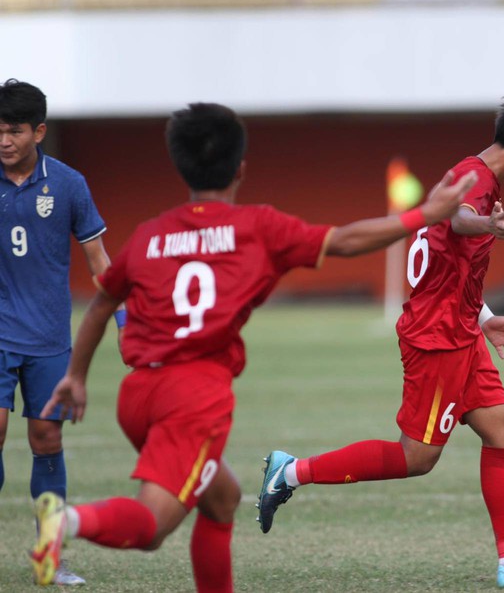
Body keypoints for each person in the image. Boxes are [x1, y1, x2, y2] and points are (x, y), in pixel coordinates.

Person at [29, 102, 478, 591]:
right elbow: (347, 241)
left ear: (179, 166)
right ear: (241, 168)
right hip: (193, 398)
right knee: (153, 525)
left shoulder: (149, 235)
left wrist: (75, 376)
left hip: (137, 395)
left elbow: (100, 304)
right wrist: (425, 214)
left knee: (222, 499)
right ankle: (67, 523)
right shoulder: (257, 228)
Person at [256, 90, 504, 589]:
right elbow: (455, 220)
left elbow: (452, 259)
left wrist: (485, 315)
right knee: (416, 458)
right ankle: (291, 472)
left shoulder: (472, 175)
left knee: (503, 429)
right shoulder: (474, 186)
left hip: (461, 329)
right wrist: (484, 225)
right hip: (438, 340)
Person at [0, 78, 120, 586]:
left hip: (49, 338)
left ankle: (51, 553)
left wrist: (125, 320)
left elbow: (99, 262)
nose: (4, 141)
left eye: (14, 131)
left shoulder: (68, 184)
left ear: (39, 131)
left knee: (46, 439)